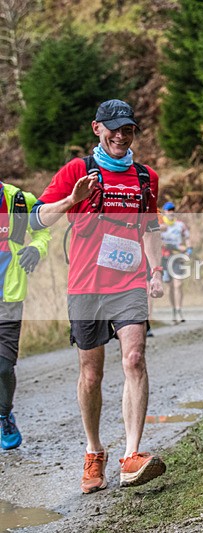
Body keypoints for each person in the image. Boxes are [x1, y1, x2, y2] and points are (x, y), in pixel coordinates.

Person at [30, 99, 167, 493]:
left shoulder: (145, 178)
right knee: (91, 374)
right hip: (86, 284)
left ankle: (132, 454)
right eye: (115, 129)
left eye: (129, 130)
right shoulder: (78, 170)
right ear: (97, 129)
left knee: (135, 358)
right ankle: (94, 453)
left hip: (129, 283)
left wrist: (155, 271)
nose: (122, 136)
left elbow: (151, 229)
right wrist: (72, 199)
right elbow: (39, 216)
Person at [0, 181, 50, 450]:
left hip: (9, 297)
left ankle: (4, 415)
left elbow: (42, 232)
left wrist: (36, 248)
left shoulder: (19, 199)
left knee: (3, 367)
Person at [159, 201, 191, 324]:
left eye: (172, 210)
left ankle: (179, 310)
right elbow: (156, 240)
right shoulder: (160, 225)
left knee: (179, 284)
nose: (171, 212)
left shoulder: (180, 225)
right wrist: (175, 246)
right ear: (164, 212)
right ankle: (173, 309)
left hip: (177, 258)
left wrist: (189, 249)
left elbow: (187, 238)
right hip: (164, 257)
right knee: (170, 286)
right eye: (168, 210)